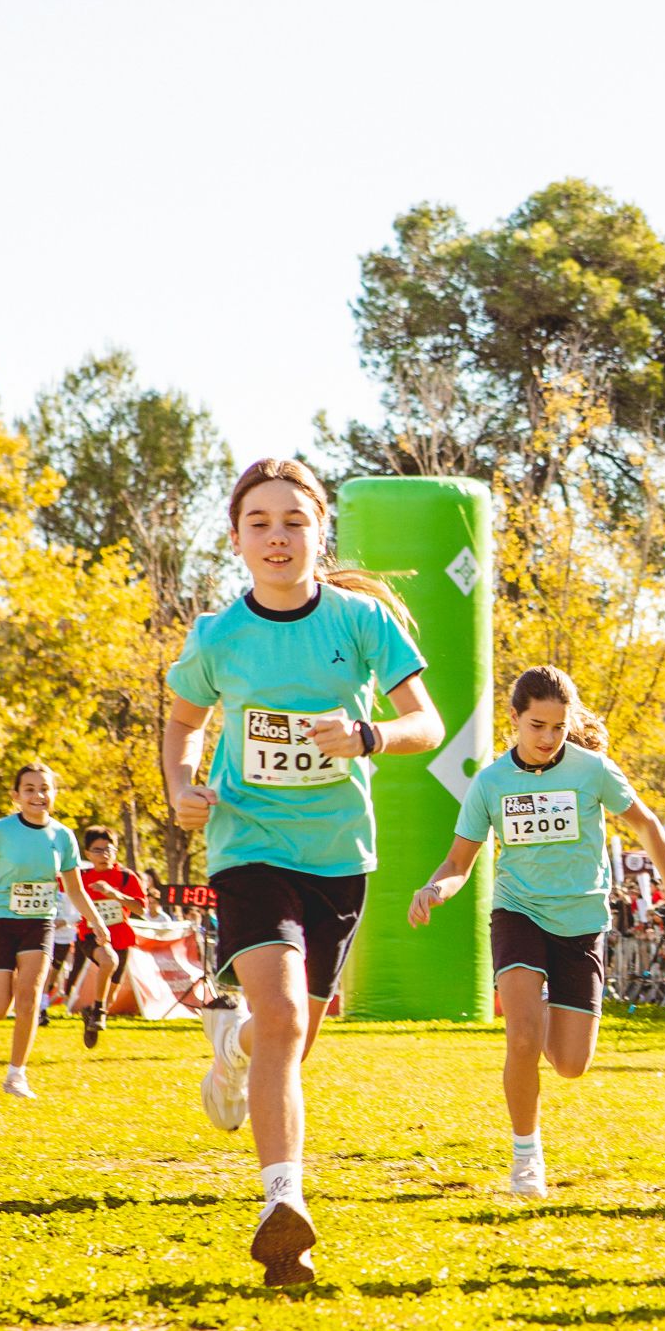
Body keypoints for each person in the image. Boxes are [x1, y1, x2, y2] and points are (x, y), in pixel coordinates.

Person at [164, 457, 443, 1287]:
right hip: (249, 845)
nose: (278, 536)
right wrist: (181, 784)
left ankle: (231, 1043)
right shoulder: (218, 635)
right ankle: (283, 1207)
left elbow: (425, 723)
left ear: (321, 531)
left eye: (294, 520)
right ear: (236, 538)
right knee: (284, 1014)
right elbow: (182, 722)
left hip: (338, 857)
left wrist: (368, 736)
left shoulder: (359, 623)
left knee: (292, 1035)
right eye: (260, 522)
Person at [412, 666, 665, 1196]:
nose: (547, 739)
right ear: (514, 718)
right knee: (520, 1037)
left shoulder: (593, 771)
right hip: (518, 911)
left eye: (558, 728)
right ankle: (526, 1160)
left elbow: (648, 826)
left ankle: (535, 1001)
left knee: (570, 1063)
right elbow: (458, 862)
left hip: (581, 923)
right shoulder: (491, 782)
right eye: (536, 725)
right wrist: (433, 889)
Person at [0, 762, 113, 1099]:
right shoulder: (0, 831)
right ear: (16, 796)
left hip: (39, 922)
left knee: (29, 997)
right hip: (0, 921)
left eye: (45, 788)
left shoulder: (63, 836)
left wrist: (97, 921)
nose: (38, 795)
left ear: (54, 794)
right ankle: (12, 979)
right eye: (29, 789)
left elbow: (75, 889)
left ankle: (16, 1075)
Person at [65, 826, 145, 1049]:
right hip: (90, 935)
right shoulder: (80, 877)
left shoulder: (127, 877)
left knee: (111, 997)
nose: (104, 855)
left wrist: (114, 894)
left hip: (121, 937)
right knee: (109, 960)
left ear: (116, 851)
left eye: (108, 849)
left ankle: (93, 1011)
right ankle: (98, 1011)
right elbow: (55, 880)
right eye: (97, 850)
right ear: (87, 854)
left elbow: (140, 909)